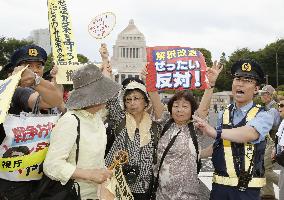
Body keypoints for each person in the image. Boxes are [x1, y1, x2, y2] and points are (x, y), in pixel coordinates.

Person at [193, 59, 274, 200]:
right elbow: (220, 143)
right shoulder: (224, 113)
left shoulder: (264, 114)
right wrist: (210, 85)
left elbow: (250, 134)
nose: (240, 84)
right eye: (237, 79)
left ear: (256, 89)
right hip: (219, 188)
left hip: (247, 191)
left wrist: (215, 132)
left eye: (248, 80)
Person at [43, 64, 121, 199]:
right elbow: (52, 166)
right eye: (103, 91)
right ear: (94, 96)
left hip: (96, 192)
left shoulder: (96, 116)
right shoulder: (70, 121)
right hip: (75, 194)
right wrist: (89, 175)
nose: (107, 96)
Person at [0, 44, 63, 200]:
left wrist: (57, 79)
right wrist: (37, 81)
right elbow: (52, 101)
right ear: (15, 70)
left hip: (41, 176)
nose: (35, 70)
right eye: (28, 65)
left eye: (39, 66)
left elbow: (60, 105)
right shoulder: (17, 92)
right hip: (14, 181)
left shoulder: (41, 89)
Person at [153, 61, 223, 200]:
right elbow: (155, 100)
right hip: (162, 193)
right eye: (176, 106)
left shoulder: (195, 126)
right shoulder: (165, 123)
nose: (179, 110)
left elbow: (203, 109)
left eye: (185, 106)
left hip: (188, 194)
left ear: (192, 110)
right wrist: (148, 79)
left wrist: (210, 84)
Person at [104, 76, 163, 200]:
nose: (132, 103)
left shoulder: (155, 127)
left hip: (146, 188)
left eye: (136, 98)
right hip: (120, 185)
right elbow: (110, 97)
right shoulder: (120, 121)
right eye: (128, 100)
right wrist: (105, 65)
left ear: (146, 102)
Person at [259, 85, 281, 200]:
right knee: (265, 168)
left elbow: (268, 126)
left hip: (272, 142)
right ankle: (268, 195)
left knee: (266, 168)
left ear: (268, 95)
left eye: (262, 94)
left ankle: (280, 186)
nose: (261, 96)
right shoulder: (269, 107)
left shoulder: (272, 109)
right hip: (271, 141)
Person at [274, 96, 284, 200]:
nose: (279, 107)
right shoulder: (283, 122)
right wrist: (275, 150)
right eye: (278, 105)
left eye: (281, 105)